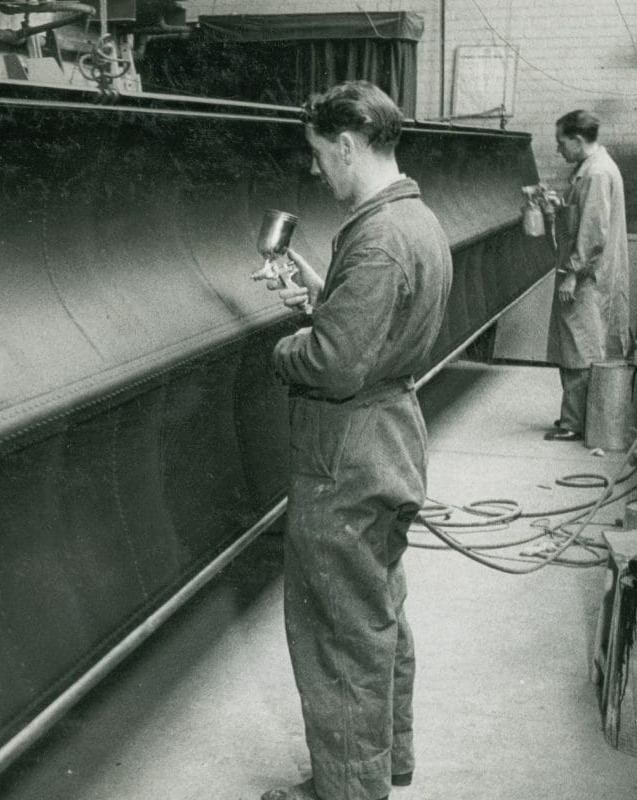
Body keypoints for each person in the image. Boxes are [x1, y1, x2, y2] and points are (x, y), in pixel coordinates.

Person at [253, 81, 452, 800]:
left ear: (345, 145)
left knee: (335, 628)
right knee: (375, 614)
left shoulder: (377, 240)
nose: (315, 171)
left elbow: (333, 365)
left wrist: (285, 347)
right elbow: (377, 327)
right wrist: (322, 296)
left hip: (346, 454)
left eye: (317, 155)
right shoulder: (414, 220)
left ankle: (346, 791)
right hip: (390, 437)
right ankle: (380, 765)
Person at [545, 110, 630, 442]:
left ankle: (574, 424)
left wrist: (572, 274)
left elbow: (594, 233)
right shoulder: (593, 169)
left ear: (578, 140)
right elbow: (585, 219)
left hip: (586, 277)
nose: (558, 149)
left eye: (561, 142)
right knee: (579, 344)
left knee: (578, 348)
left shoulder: (595, 174)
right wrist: (559, 206)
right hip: (590, 274)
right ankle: (576, 417)